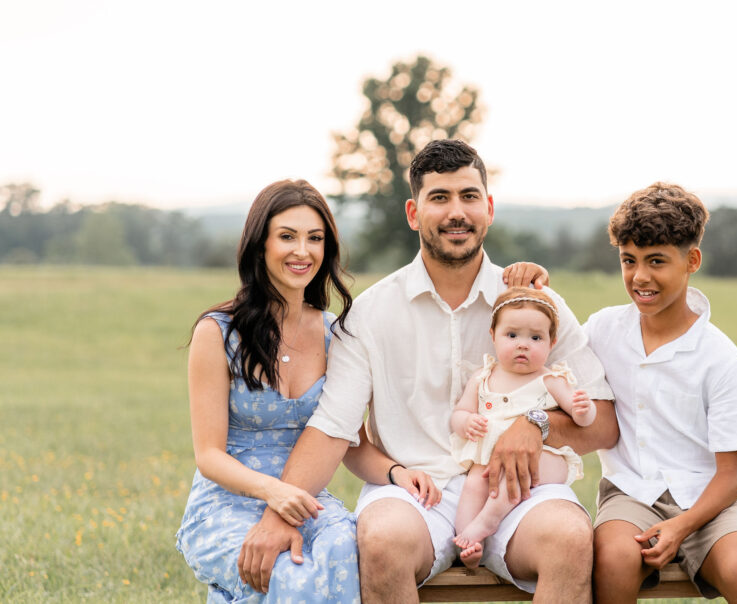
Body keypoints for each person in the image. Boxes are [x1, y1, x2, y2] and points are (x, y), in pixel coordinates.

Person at [237, 139, 618, 603]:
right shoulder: (370, 315)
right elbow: (334, 427)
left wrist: (537, 425)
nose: (456, 211)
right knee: (380, 540)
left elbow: (603, 420)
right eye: (440, 198)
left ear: (489, 208)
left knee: (569, 538)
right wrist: (280, 513)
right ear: (414, 214)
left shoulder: (534, 301)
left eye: (469, 196)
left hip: (518, 489)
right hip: (414, 494)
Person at [176, 179, 438, 603]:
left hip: (308, 502)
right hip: (228, 504)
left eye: (315, 238)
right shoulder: (217, 333)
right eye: (287, 237)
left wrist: (397, 474)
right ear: (259, 245)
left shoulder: (337, 336)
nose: (303, 251)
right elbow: (209, 456)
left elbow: (348, 443)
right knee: (292, 577)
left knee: (345, 554)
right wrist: (274, 492)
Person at [586, 183, 737, 603]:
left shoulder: (723, 360)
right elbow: (546, 337)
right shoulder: (602, 330)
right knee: (613, 560)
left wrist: (680, 526)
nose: (640, 277)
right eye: (629, 260)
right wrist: (533, 278)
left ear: (692, 260)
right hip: (630, 493)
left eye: (657, 261)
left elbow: (732, 476)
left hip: (711, 501)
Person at [450, 286, 597, 568]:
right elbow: (460, 412)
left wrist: (583, 409)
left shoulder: (550, 380)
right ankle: (467, 543)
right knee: (473, 484)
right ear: (493, 336)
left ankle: (487, 521)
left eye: (536, 337)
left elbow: (583, 420)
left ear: (551, 343)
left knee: (513, 476)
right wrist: (466, 422)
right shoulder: (483, 377)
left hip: (541, 460)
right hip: (489, 457)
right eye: (512, 335)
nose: (523, 344)